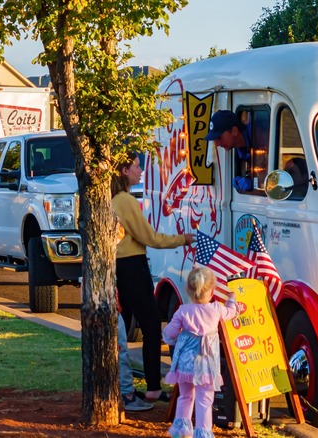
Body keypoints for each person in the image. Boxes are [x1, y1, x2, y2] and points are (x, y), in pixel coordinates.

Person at [112, 151, 194, 403]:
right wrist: (183, 239)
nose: (140, 170)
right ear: (124, 171)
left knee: (123, 328)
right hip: (132, 266)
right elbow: (150, 237)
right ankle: (152, 387)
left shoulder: (113, 199)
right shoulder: (125, 200)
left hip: (119, 266)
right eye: (137, 166)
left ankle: (124, 385)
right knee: (149, 327)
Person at [163, 267, 238, 438]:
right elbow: (231, 313)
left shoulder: (183, 310)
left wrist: (172, 338)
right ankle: (202, 433)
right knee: (205, 400)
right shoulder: (216, 309)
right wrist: (232, 299)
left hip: (185, 365)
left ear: (189, 290)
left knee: (185, 396)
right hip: (206, 364)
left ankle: (181, 430)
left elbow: (170, 332)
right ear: (212, 291)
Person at [204, 110, 253, 191]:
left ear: (234, 131)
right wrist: (249, 178)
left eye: (219, 137)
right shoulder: (242, 152)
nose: (217, 144)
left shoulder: (259, 134)